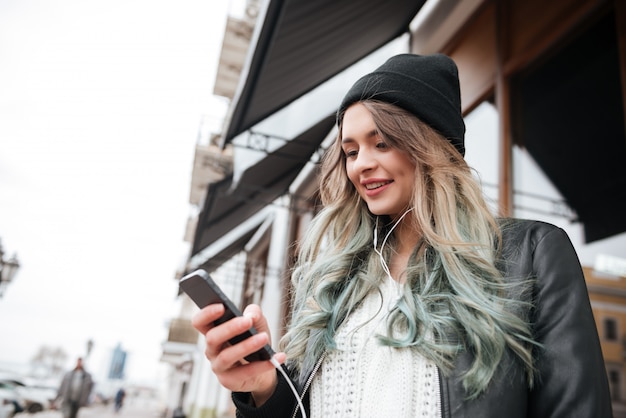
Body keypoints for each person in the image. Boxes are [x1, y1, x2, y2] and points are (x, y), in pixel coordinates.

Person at [192, 54, 613, 417]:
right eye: (351, 151)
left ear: (429, 146)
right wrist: (263, 386)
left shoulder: (530, 255)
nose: (360, 165)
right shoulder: (331, 277)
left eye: (382, 143)